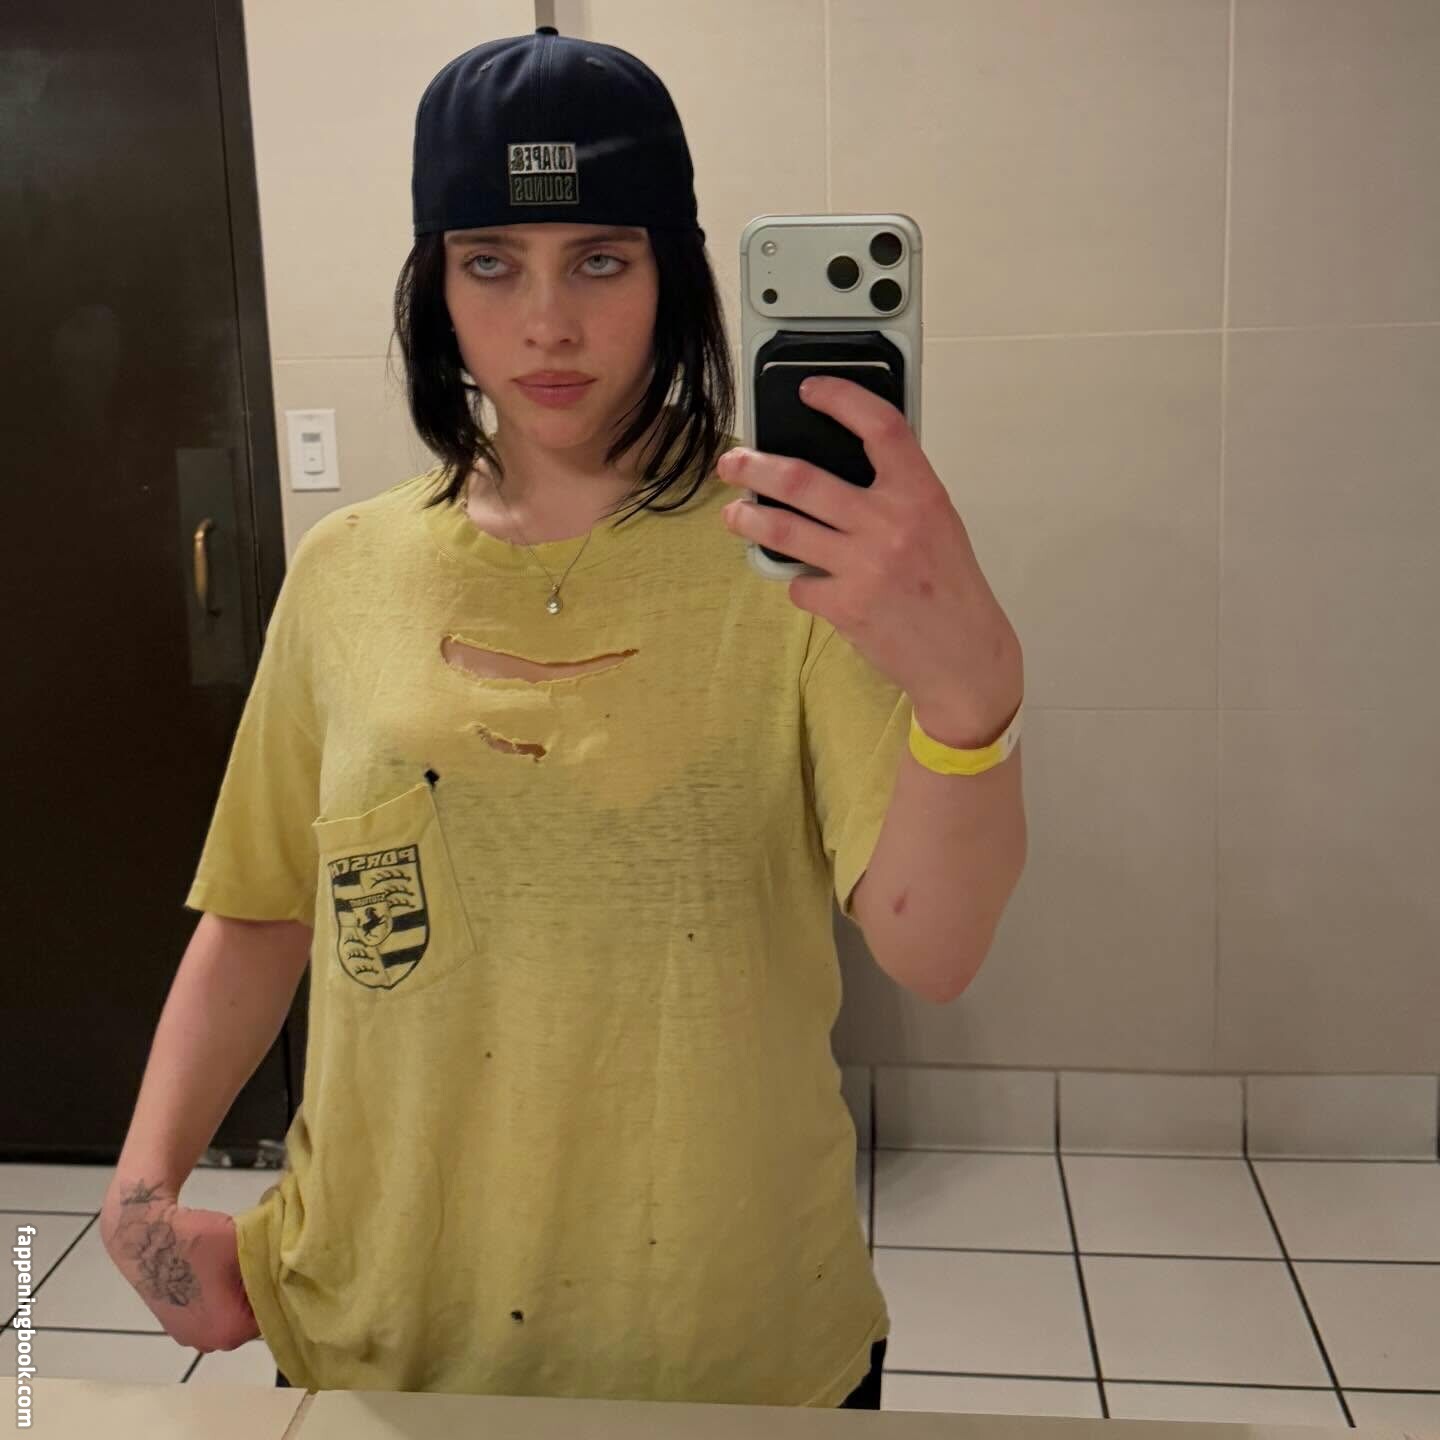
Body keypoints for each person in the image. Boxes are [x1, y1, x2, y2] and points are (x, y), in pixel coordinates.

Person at [101, 27, 945, 1409]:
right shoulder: (348, 569)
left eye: (600, 261)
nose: (547, 324)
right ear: (435, 288)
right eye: (490, 263)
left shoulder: (790, 562)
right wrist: (140, 1195)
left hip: (724, 1342)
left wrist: (974, 693)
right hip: (389, 1326)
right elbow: (259, 910)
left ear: (673, 278)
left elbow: (936, 943)